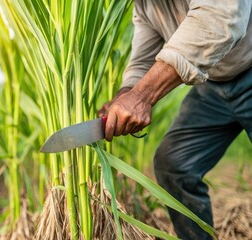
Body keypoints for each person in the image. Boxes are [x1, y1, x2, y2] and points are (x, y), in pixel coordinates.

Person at [98, 0, 252, 239]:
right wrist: (127, 92)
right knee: (173, 164)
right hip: (214, 87)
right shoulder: (145, 5)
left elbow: (220, 17)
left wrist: (142, 96)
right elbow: (143, 58)